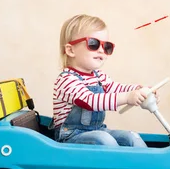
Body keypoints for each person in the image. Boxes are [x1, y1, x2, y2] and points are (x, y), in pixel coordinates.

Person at [51, 14, 157, 147]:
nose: (101, 50)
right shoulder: (66, 80)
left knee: (131, 137)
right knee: (104, 140)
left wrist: (139, 90)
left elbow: (116, 88)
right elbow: (91, 101)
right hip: (70, 137)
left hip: (97, 130)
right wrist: (127, 97)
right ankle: (116, 167)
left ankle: (144, 166)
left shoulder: (98, 76)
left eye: (107, 46)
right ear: (71, 50)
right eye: (93, 44)